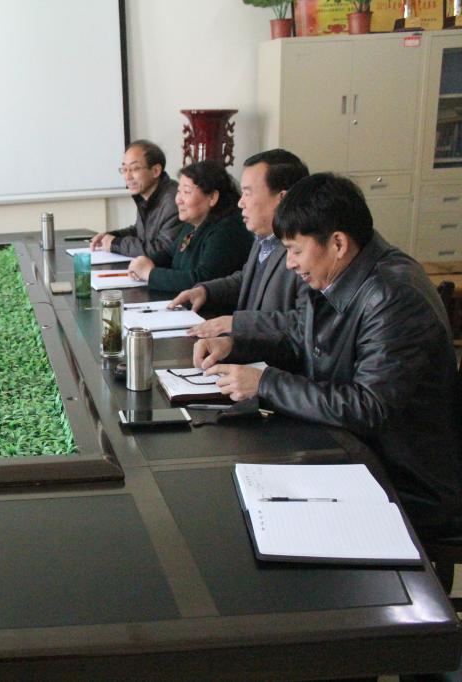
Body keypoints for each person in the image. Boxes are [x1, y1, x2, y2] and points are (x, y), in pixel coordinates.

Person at [194, 173, 462, 540]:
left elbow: (368, 407)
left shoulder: (392, 298)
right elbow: (300, 336)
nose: (289, 263)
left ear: (337, 242)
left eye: (295, 250)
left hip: (404, 481)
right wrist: (235, 344)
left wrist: (266, 383)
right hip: (352, 451)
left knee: (247, 525)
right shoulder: (337, 272)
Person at [170, 149, 310, 338]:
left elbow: (304, 322)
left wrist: (235, 323)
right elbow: (246, 279)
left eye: (247, 194)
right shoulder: (263, 237)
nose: (240, 203)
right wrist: (205, 291)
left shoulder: (304, 250)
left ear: (282, 199)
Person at [126, 160, 252, 294]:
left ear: (212, 197)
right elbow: (170, 254)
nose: (178, 200)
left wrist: (150, 273)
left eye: (186, 192)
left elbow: (202, 280)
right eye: (179, 191)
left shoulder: (227, 231)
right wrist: (147, 262)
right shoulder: (193, 223)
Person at [89, 140, 182, 257]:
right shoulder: (145, 195)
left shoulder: (174, 200)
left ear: (155, 171)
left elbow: (163, 250)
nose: (127, 177)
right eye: (124, 169)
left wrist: (116, 243)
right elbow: (140, 232)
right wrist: (111, 236)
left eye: (135, 169)